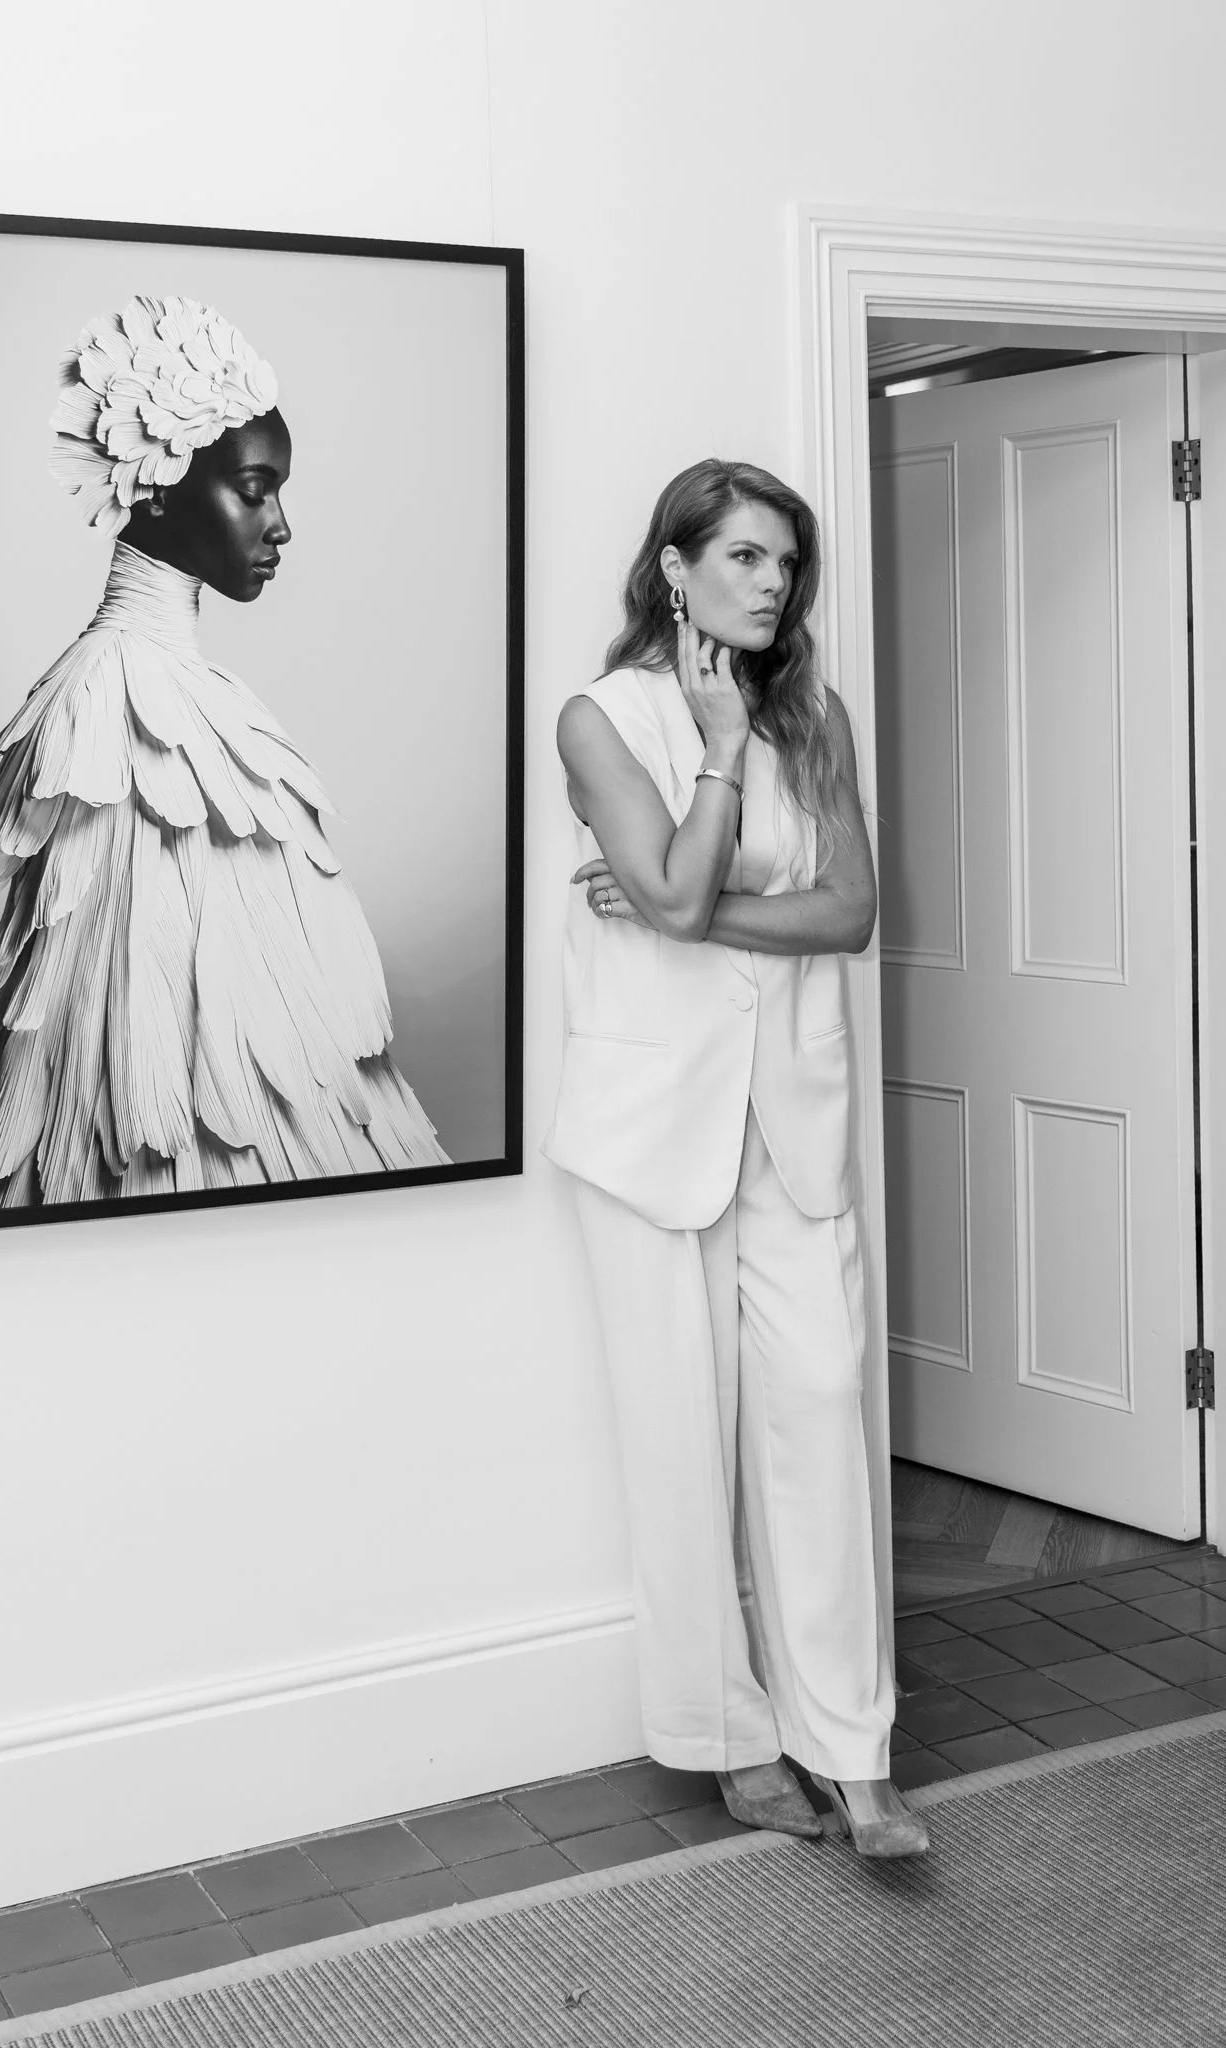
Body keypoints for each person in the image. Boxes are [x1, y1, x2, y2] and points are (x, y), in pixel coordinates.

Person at [543, 458, 927, 1857]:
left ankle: (854, 1748)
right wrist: (709, 752)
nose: (772, 584)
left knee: (819, 1407)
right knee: (678, 1437)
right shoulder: (602, 720)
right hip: (651, 1135)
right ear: (676, 568)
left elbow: (848, 915)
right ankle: (727, 1737)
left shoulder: (812, 717)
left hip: (794, 1125)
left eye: (786, 564)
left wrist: (689, 910)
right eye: (748, 557)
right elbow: (669, 880)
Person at [0, 293, 446, 1212]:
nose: (281, 523)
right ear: (164, 482)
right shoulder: (115, 696)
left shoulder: (190, 692)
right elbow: (112, 1046)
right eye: (256, 490)